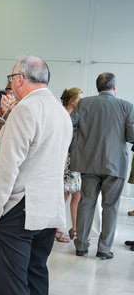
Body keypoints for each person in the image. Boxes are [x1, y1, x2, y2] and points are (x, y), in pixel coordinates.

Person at [0, 56, 72, 295]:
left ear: (20, 79)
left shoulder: (25, 109)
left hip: (18, 207)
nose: (10, 85)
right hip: (47, 206)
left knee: (12, 286)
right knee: (35, 279)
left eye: (11, 79)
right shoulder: (60, 110)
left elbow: (9, 165)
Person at [71, 72, 134, 259]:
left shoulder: (84, 103)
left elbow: (70, 125)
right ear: (114, 87)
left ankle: (81, 246)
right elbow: (132, 136)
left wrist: (77, 146)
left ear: (98, 87)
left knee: (86, 203)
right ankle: (104, 250)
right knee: (110, 207)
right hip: (115, 165)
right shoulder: (126, 106)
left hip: (88, 162)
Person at [56, 87, 83, 243]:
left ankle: (75, 228)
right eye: (80, 98)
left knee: (77, 194)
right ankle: (57, 228)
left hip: (76, 158)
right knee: (64, 194)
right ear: (73, 101)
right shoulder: (64, 115)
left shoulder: (77, 115)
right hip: (66, 159)